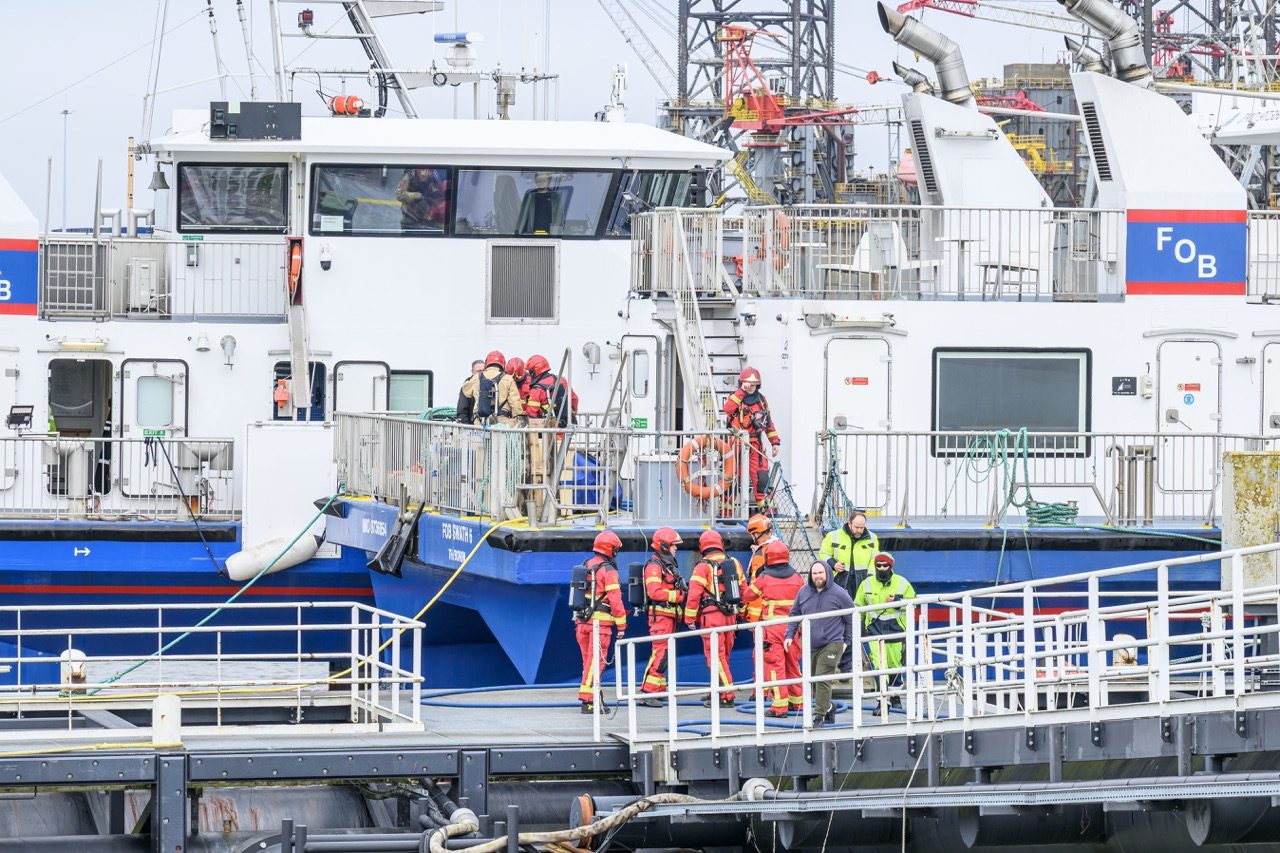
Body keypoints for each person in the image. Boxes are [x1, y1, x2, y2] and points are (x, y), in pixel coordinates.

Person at [784, 561, 854, 728]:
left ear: (827, 573)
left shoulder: (840, 594)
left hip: (833, 643)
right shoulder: (803, 592)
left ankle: (818, 717)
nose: (817, 576)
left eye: (820, 573)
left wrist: (847, 642)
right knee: (813, 681)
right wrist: (789, 635)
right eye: (814, 573)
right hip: (810, 644)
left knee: (822, 678)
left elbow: (851, 618)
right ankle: (829, 707)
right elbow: (794, 614)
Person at [741, 539, 803, 717]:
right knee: (793, 665)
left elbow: (747, 595)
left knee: (776, 667)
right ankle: (798, 703)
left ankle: (779, 706)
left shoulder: (764, 578)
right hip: (793, 628)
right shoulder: (797, 578)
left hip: (772, 628)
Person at [683, 530, 745, 707]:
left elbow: (694, 595)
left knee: (715, 657)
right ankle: (715, 690)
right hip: (730, 617)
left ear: (703, 546)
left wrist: (689, 619)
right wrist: (740, 615)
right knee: (723, 656)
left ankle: (726, 695)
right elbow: (744, 590)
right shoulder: (734, 563)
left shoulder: (702, 566)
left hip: (712, 618)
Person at [853, 552, 917, 708]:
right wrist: (859, 626)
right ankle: (882, 701)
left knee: (895, 666)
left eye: (885, 565)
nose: (881, 568)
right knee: (879, 665)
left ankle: (894, 697)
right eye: (878, 565)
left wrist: (897, 601)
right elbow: (858, 606)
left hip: (896, 631)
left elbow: (913, 603)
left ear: (891, 566)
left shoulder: (902, 583)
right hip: (874, 630)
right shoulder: (866, 584)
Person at [574, 530, 627, 713]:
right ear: (610, 549)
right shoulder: (608, 571)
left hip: (582, 624)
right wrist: (621, 625)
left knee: (587, 663)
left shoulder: (586, 565)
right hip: (600, 626)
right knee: (596, 663)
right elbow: (615, 600)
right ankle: (588, 701)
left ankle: (595, 696)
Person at [638, 528, 685, 706]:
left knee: (665, 653)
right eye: (674, 545)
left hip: (669, 617)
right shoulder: (654, 566)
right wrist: (679, 596)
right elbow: (654, 592)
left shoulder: (666, 566)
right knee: (661, 653)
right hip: (661, 617)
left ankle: (658, 689)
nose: (676, 549)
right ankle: (647, 691)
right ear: (665, 546)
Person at [722, 367, 780, 510]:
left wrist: (775, 442)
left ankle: (767, 509)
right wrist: (742, 391)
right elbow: (727, 409)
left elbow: (768, 423)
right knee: (731, 477)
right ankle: (726, 509)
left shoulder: (761, 401)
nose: (750, 387)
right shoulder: (735, 398)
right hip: (736, 444)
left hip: (755, 444)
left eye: (753, 385)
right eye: (748, 384)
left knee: (762, 477)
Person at [818, 511, 880, 597]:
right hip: (839, 581)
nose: (859, 530)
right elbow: (823, 554)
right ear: (849, 524)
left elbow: (875, 559)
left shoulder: (872, 538)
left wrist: (870, 578)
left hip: (863, 581)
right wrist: (834, 564)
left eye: (862, 527)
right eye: (856, 527)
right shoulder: (832, 536)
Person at [459, 350, 523, 425]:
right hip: (502, 423)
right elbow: (515, 403)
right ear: (503, 364)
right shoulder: (508, 379)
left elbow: (465, 392)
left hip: (480, 423)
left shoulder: (476, 378)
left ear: (487, 363)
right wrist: (519, 420)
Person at [740, 514, 775, 626]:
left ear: (757, 533)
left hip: (762, 616)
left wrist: (752, 619)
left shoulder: (760, 556)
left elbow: (756, 589)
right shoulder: (777, 548)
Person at [396, 167, 447, 231]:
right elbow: (399, 194)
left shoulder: (433, 175)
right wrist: (417, 195)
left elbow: (438, 197)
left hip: (428, 222)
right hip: (410, 219)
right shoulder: (410, 174)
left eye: (430, 170)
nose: (426, 172)